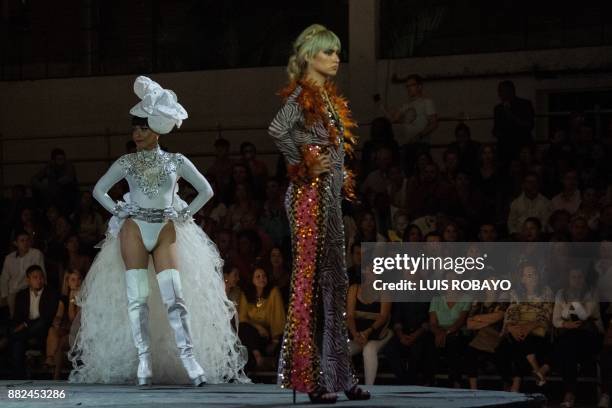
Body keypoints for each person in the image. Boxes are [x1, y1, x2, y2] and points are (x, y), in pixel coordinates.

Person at [69, 76, 247, 386]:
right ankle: (143, 363)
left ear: (156, 130)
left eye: (142, 128)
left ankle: (190, 359)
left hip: (165, 229)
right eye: (135, 129)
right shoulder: (127, 162)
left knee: (174, 297)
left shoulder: (176, 161)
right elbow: (99, 190)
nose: (136, 134)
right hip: (134, 229)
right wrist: (119, 210)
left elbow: (206, 190)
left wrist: (185, 212)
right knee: (137, 298)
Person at [268, 24, 368, 403]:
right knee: (309, 287)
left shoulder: (326, 97)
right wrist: (302, 163)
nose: (336, 58)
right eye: (329, 52)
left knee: (336, 284)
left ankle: (341, 376)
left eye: (337, 51)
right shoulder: (302, 94)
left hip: (329, 199)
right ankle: (307, 379)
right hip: (308, 197)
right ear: (310, 56)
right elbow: (277, 129)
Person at [552, 268, 604, 408]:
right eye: (573, 277)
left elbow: (584, 315)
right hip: (569, 336)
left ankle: (569, 393)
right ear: (568, 279)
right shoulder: (561, 293)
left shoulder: (592, 292)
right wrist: (565, 323)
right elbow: (556, 320)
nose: (577, 280)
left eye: (580, 277)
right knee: (567, 345)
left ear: (584, 278)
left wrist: (570, 304)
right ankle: (570, 393)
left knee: (566, 344)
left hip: (590, 335)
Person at [9, 265, 58, 379]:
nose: (39, 280)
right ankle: (18, 378)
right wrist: (23, 325)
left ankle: (10, 337)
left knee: (40, 322)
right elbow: (17, 317)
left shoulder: (51, 293)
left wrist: (25, 324)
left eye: (41, 277)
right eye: (35, 277)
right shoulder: (22, 295)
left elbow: (48, 316)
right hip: (26, 331)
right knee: (17, 343)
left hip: (43, 329)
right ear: (28, 280)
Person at [347, 272, 392, 386]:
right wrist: (355, 334)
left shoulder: (385, 290)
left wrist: (367, 332)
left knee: (369, 350)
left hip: (378, 332)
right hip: (358, 333)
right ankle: (344, 385)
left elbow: (383, 316)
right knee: (342, 350)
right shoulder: (354, 288)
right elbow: (350, 316)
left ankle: (369, 388)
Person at [238, 266, 285, 371]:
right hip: (252, 335)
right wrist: (258, 327)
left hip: (268, 336)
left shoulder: (274, 292)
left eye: (264, 276)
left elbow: (278, 317)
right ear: (252, 279)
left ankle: (258, 361)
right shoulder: (246, 293)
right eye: (257, 277)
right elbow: (242, 317)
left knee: (247, 340)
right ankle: (258, 357)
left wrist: (275, 341)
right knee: (243, 328)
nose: (261, 279)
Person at [45, 269, 81, 380]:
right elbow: (59, 314)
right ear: (68, 282)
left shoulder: (83, 297)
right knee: (52, 330)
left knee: (62, 342)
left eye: (79, 279)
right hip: (67, 327)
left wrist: (72, 300)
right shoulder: (63, 298)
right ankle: (50, 358)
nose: (77, 282)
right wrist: (56, 320)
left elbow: (74, 319)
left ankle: (55, 376)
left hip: (79, 329)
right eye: (73, 280)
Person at [1, 231, 46, 318]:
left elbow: (42, 273)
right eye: (22, 240)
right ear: (15, 243)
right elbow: (4, 278)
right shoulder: (9, 258)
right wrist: (4, 295)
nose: (25, 243)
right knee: (13, 312)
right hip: (13, 291)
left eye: (27, 240)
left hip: (30, 288)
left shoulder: (36, 254)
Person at [492, 80, 535, 165]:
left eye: (501, 91)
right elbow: (496, 127)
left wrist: (511, 116)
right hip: (505, 147)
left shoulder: (524, 104)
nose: (499, 94)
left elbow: (529, 125)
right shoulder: (498, 108)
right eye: (499, 91)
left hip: (521, 145)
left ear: (510, 91)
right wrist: (496, 132)